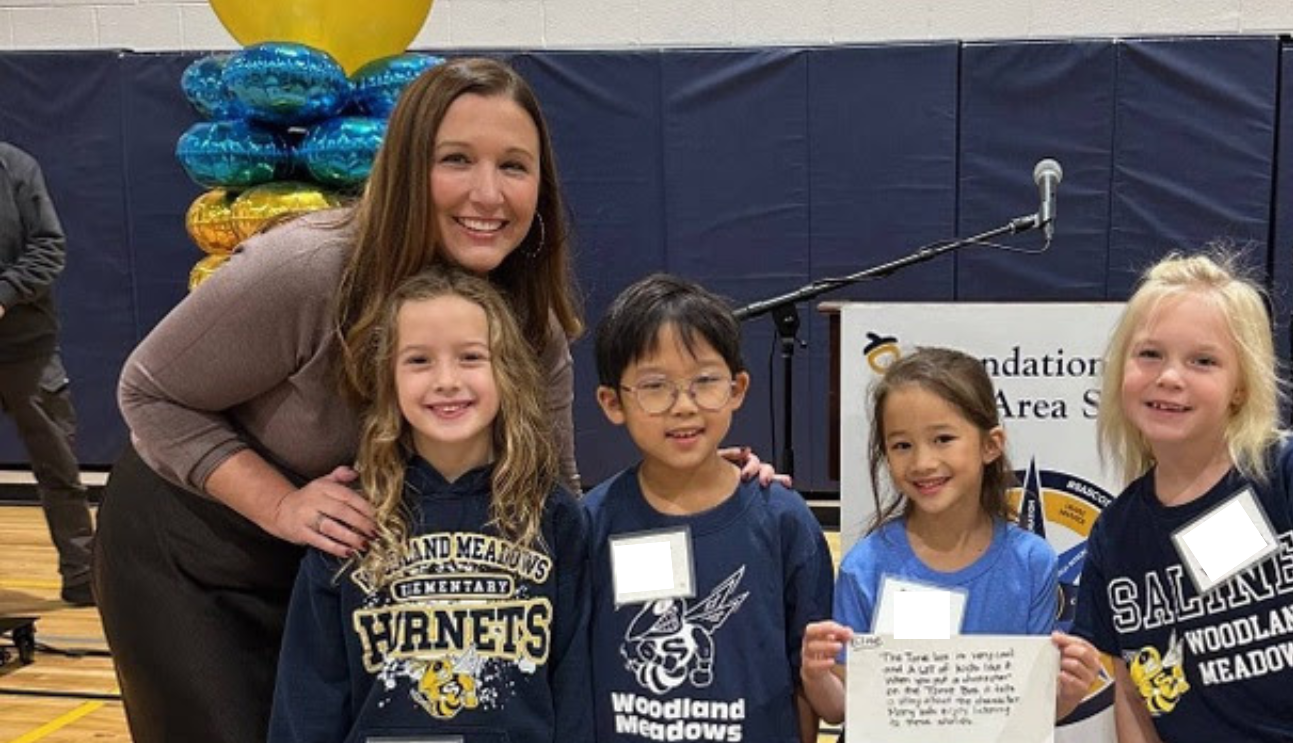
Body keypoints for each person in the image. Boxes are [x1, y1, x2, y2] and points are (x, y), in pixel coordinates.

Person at [93, 58, 775, 743]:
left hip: (345, 569)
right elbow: (149, 392)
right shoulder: (307, 271)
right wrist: (280, 503)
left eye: (514, 166)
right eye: (456, 159)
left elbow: (557, 501)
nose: (488, 192)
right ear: (407, 167)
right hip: (198, 552)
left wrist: (704, 486)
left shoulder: (531, 323)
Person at [1071, 251, 1293, 743]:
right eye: (1150, 354)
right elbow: (1130, 690)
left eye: (1203, 361)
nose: (1170, 376)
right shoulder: (1116, 533)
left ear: (1239, 387)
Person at [267, 266, 591, 742]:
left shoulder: (553, 515)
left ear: (507, 371)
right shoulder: (348, 517)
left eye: (470, 358)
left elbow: (577, 684)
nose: (445, 380)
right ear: (388, 379)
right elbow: (310, 693)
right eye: (419, 360)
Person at [583, 274, 834, 743]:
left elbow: (807, 676)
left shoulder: (784, 521)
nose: (684, 406)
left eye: (705, 382)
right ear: (613, 403)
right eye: (655, 386)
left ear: (737, 389)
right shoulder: (590, 523)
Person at [797, 347, 1100, 728]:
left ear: (990, 445)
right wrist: (816, 675)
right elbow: (841, 708)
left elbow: (1033, 708)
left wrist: (1068, 692)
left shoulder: (1031, 561)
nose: (923, 462)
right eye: (902, 445)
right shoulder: (866, 565)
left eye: (942, 438)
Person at [0, 141, 95, 607]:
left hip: (27, 349)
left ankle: (82, 575)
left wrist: (3, 295)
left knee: (58, 467)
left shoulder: (16, 167)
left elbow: (49, 246)